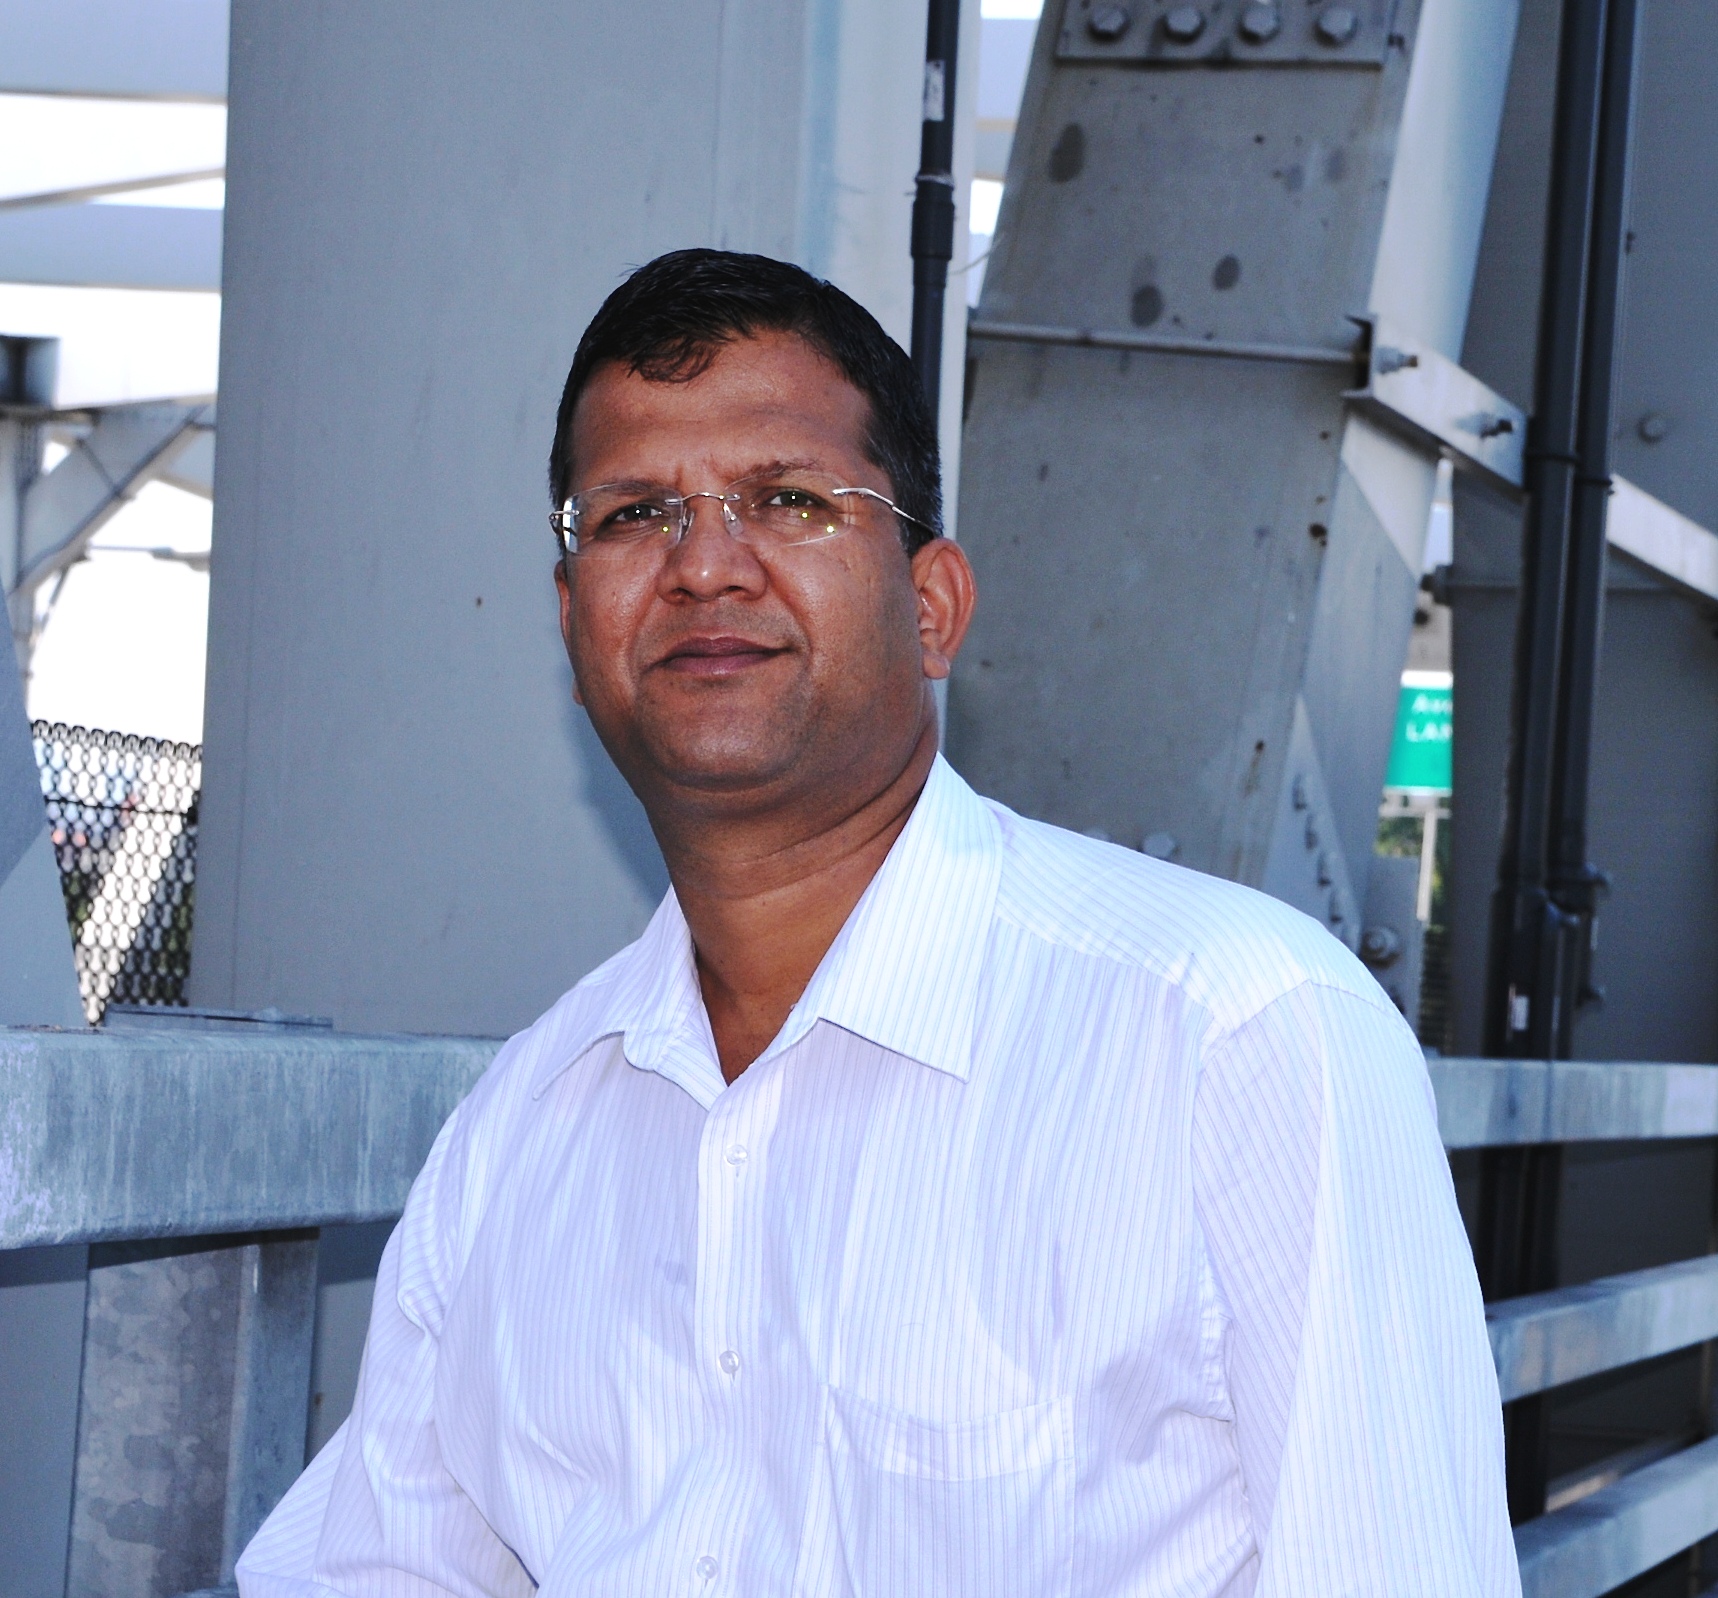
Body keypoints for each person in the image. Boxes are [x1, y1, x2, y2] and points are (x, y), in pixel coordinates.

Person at [239, 248, 1517, 1597]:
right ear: (573, 622)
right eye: (629, 515)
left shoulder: (1233, 1037)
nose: (702, 565)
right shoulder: (520, 1132)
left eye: (787, 499)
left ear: (931, 606)